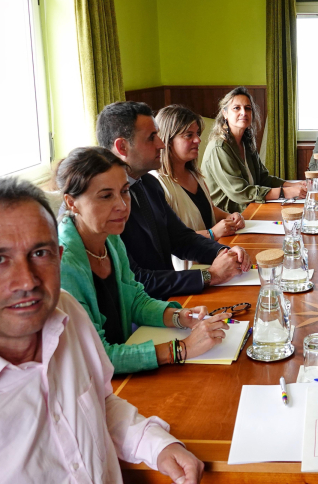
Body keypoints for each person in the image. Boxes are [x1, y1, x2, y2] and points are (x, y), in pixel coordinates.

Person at [0, 178, 205, 483]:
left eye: (40, 253)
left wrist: (156, 446)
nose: (27, 280)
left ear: (59, 257)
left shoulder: (66, 311)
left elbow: (98, 404)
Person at [56, 147, 232, 374]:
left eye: (125, 191)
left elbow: (135, 299)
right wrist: (181, 349)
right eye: (106, 196)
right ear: (72, 203)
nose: (121, 205)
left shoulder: (111, 239)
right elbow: (97, 357)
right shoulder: (63, 265)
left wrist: (180, 317)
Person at [97, 101, 249, 300]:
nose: (161, 143)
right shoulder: (103, 204)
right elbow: (137, 280)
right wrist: (208, 276)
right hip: (140, 315)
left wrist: (224, 252)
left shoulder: (148, 184)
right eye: (152, 138)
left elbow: (181, 238)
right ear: (122, 146)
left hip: (170, 301)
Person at [155, 104, 245, 269]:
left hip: (212, 260)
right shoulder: (158, 184)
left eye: (197, 134)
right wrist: (212, 234)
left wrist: (229, 217)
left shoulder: (195, 175)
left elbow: (209, 209)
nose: (198, 140)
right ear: (167, 140)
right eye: (189, 135)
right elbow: (168, 241)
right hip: (188, 271)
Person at [201, 86, 306, 213]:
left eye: (247, 108)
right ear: (225, 113)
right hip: (227, 217)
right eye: (236, 108)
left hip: (250, 209)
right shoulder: (219, 147)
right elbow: (240, 193)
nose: (243, 113)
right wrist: (285, 192)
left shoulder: (246, 142)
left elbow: (263, 179)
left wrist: (293, 185)